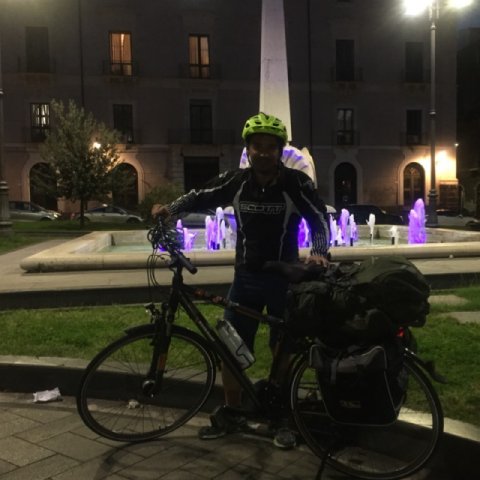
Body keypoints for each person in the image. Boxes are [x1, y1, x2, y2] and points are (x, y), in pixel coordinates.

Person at [152, 112, 330, 449]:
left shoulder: (295, 183)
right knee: (230, 348)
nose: (263, 152)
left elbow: (319, 218)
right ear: (247, 149)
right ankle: (233, 412)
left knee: (282, 349)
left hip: (283, 280)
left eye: (270, 147)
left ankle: (282, 416)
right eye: (256, 146)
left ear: (279, 150)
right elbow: (200, 195)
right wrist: (169, 210)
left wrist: (320, 252)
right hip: (246, 278)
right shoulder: (237, 182)